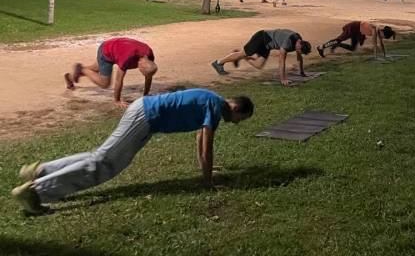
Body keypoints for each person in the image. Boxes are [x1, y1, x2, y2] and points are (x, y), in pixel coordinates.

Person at [10, 89, 254, 215]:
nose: (238, 122)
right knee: (103, 164)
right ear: (237, 109)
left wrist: (206, 174)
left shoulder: (213, 100)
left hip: (145, 115)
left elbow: (200, 140)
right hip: (145, 117)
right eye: (241, 119)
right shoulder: (216, 106)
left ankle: (41, 170)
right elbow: (207, 145)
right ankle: (35, 191)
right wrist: (208, 181)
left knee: (101, 157)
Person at [64, 38, 158, 109]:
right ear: (141, 66)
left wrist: (145, 95)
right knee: (105, 83)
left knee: (95, 70)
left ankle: (70, 78)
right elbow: (118, 80)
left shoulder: (149, 56)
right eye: (141, 72)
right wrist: (117, 101)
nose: (141, 73)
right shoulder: (128, 58)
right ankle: (81, 69)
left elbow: (148, 77)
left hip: (116, 46)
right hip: (107, 51)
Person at [211, 28, 312, 86]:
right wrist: (283, 79)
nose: (297, 51)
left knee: (258, 65)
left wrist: (302, 72)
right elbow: (281, 61)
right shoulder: (288, 43)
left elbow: (299, 58)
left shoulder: (299, 42)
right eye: (298, 49)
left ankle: (239, 55)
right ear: (299, 43)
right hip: (262, 38)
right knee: (244, 53)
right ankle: (218, 63)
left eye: (299, 51)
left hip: (267, 46)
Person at [317, 22, 396, 58]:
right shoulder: (375, 29)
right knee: (338, 39)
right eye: (383, 37)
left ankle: (337, 45)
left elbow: (381, 44)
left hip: (358, 31)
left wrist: (385, 55)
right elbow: (374, 44)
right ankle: (321, 47)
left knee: (352, 48)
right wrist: (376, 57)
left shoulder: (379, 31)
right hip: (353, 27)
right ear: (382, 32)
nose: (381, 38)